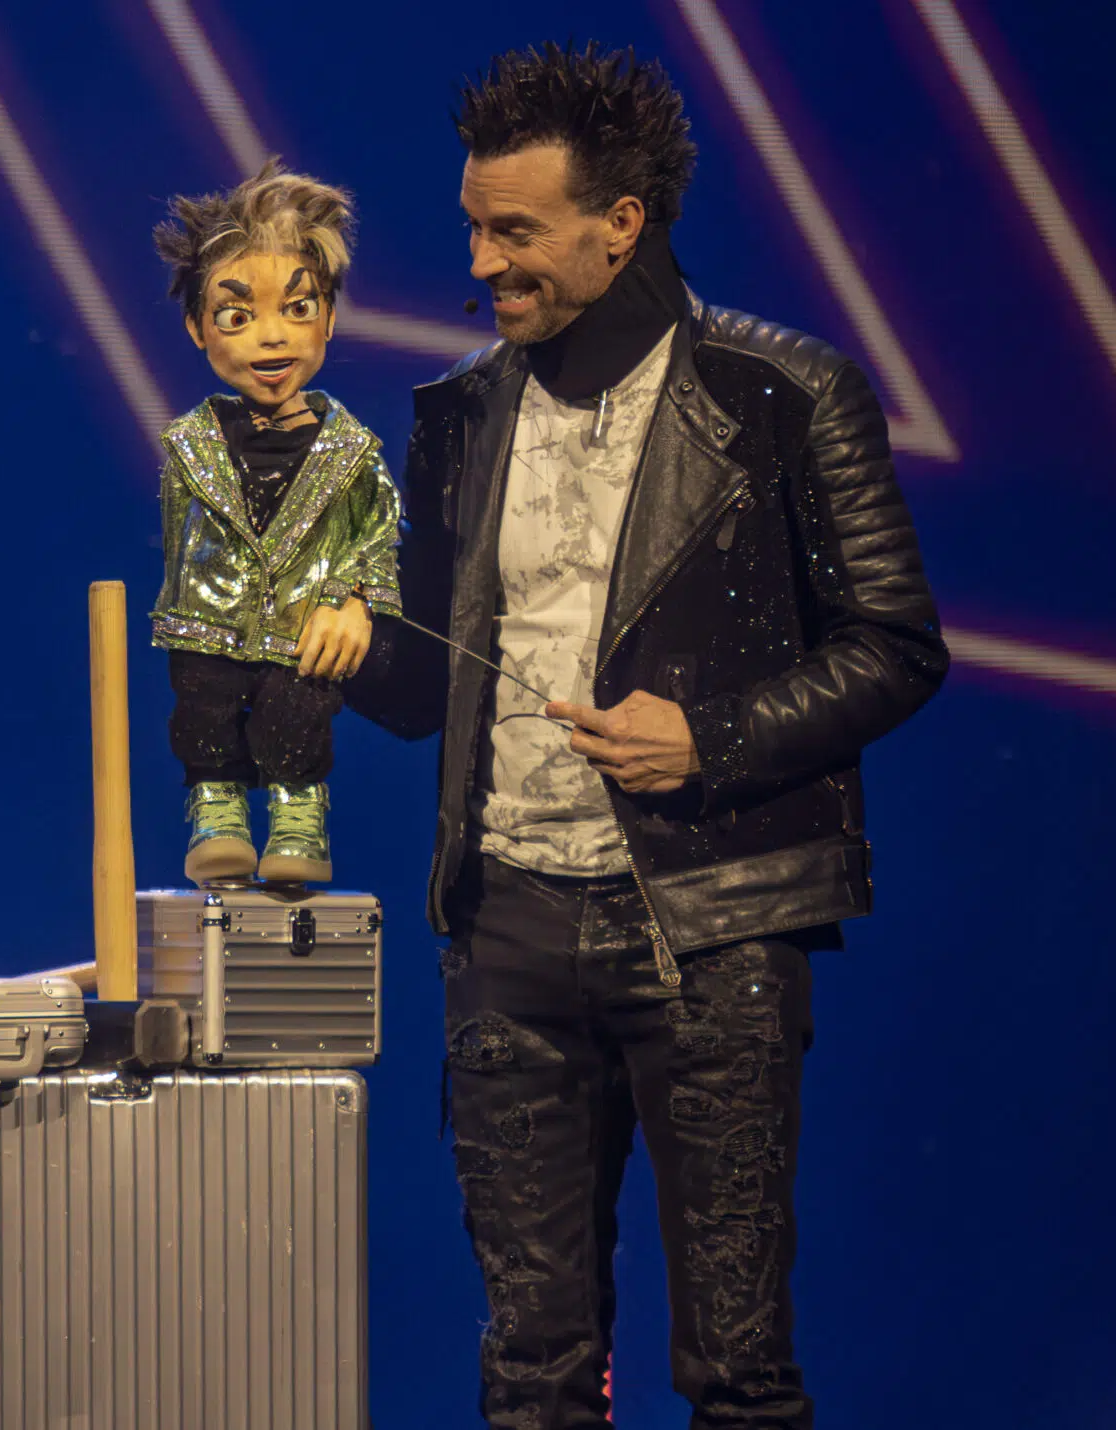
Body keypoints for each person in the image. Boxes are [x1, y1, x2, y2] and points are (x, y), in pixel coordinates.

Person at [349, 42, 949, 1429]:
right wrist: (305, 634)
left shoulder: (782, 394)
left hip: (707, 928)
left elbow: (896, 645)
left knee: (735, 1367)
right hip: (505, 927)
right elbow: (421, 682)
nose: (482, 264)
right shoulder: (459, 413)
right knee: (532, 1370)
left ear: (620, 224)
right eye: (473, 228)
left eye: (516, 232)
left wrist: (710, 738)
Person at [149, 159, 402, 885]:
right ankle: (217, 808)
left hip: (301, 634)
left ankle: (297, 812)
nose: (271, 338)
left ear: (329, 317)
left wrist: (355, 600)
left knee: (296, 719)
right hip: (208, 628)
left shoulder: (351, 453)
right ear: (198, 329)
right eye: (237, 316)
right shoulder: (189, 446)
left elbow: (380, 532)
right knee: (204, 714)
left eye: (297, 308)